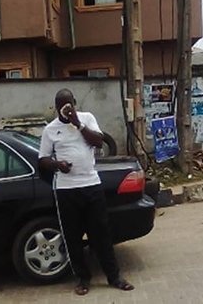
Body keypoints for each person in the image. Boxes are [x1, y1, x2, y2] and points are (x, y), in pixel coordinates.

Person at [38, 89, 134, 296]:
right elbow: (43, 159)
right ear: (56, 107)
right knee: (72, 237)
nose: (66, 109)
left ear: (74, 103)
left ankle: (114, 276)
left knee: (101, 234)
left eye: (69, 105)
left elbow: (99, 142)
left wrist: (77, 123)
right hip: (66, 189)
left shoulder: (87, 118)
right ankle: (82, 279)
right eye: (62, 106)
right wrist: (57, 164)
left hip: (91, 184)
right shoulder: (50, 130)